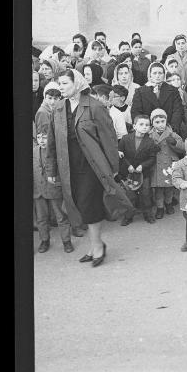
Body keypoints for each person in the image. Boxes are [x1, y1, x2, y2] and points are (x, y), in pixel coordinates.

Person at [46, 69, 133, 266]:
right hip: (68, 164)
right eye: (59, 84)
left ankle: (97, 246)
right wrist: (52, 170)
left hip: (91, 165)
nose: (61, 87)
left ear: (76, 83)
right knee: (77, 203)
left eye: (64, 83)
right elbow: (52, 141)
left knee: (88, 204)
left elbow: (109, 138)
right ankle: (95, 245)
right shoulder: (58, 108)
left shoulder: (94, 106)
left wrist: (113, 167)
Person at [34, 131, 74, 254]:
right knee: (41, 218)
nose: (41, 140)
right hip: (38, 190)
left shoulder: (55, 151)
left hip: (54, 188)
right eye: (39, 137)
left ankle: (66, 241)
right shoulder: (33, 151)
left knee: (61, 216)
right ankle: (45, 240)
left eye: (45, 137)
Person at [118, 114, 160, 224]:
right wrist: (128, 166)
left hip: (143, 173)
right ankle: (128, 216)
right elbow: (121, 155)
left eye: (147, 125)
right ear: (134, 126)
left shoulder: (150, 142)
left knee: (146, 194)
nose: (144, 127)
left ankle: (148, 214)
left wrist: (143, 165)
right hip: (129, 173)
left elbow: (152, 158)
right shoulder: (125, 139)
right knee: (130, 195)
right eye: (141, 124)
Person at [148, 108, 186, 219]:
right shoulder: (149, 135)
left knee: (169, 187)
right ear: (152, 123)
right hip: (156, 165)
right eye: (157, 122)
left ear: (166, 121)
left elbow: (183, 147)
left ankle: (168, 203)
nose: (160, 124)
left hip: (169, 164)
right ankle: (160, 207)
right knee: (158, 189)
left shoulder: (172, 134)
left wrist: (175, 144)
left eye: (162, 121)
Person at [131, 62, 184, 136]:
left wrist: (171, 129)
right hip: (147, 132)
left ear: (164, 74)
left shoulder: (173, 90)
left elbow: (178, 111)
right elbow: (136, 112)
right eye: (154, 73)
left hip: (169, 131)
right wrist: (145, 128)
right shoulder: (140, 91)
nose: (157, 76)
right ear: (150, 75)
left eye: (160, 73)